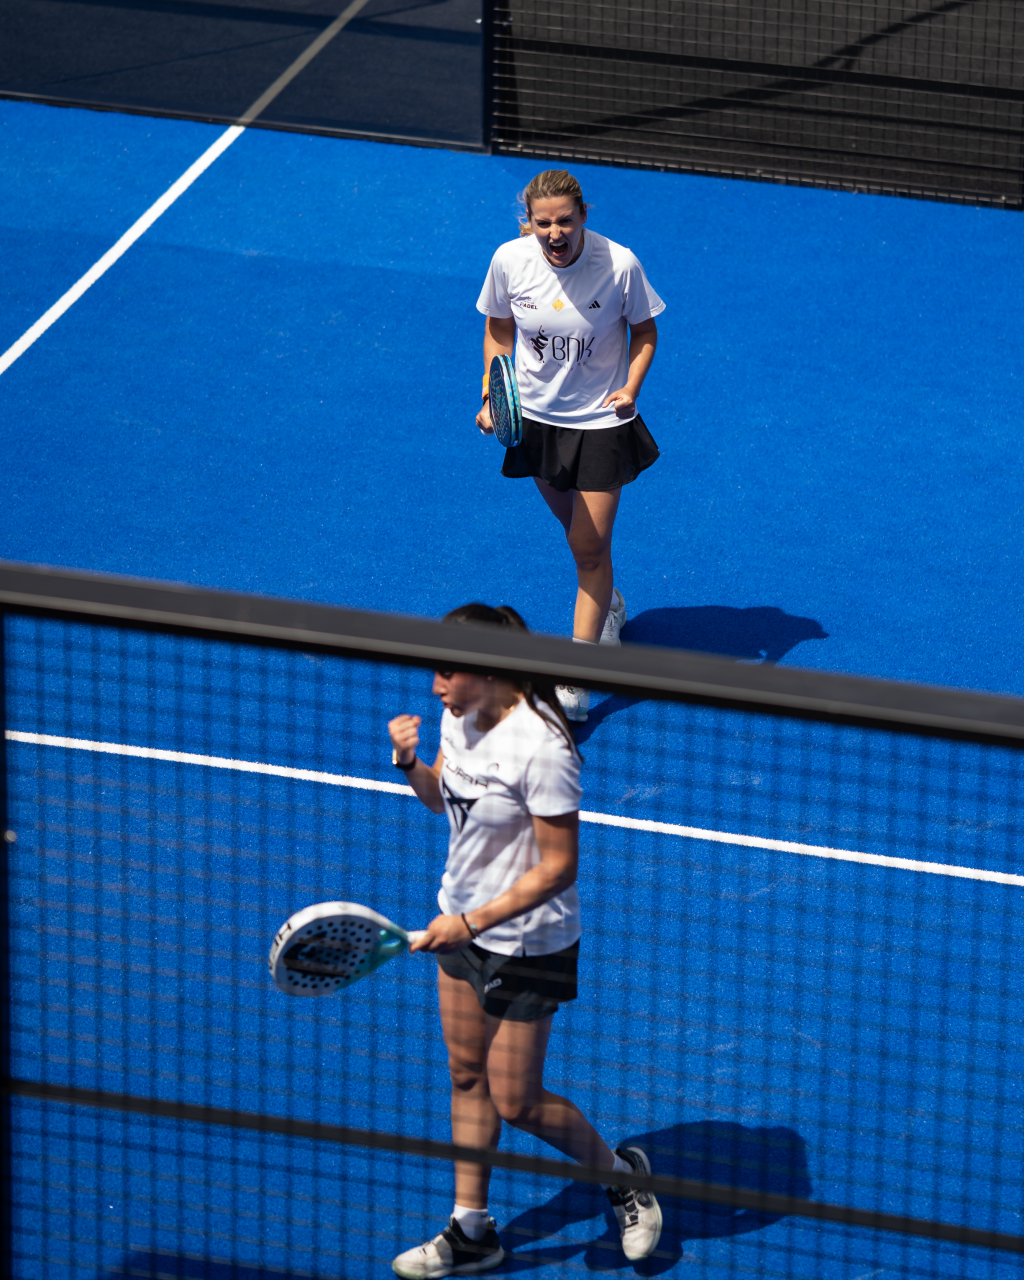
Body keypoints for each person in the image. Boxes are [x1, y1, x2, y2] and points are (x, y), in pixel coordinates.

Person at [387, 604, 662, 1279]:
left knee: (516, 1100)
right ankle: (472, 1229)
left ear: (485, 669)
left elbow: (559, 867)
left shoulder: (542, 747)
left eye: (446, 670)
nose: (434, 685)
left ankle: (622, 1175)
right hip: (459, 922)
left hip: (528, 941)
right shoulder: (459, 714)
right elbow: (446, 802)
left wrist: (474, 923)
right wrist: (410, 765)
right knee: (464, 1074)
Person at [476, 170, 665, 723]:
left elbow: (645, 332)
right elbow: (499, 328)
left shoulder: (620, 264)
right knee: (580, 537)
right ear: (527, 223)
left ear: (583, 215)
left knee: (587, 546)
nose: (554, 233)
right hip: (536, 420)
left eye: (564, 221)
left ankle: (577, 677)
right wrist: (492, 393)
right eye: (543, 223)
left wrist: (630, 389)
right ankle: (609, 603)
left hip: (602, 424)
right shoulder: (510, 261)